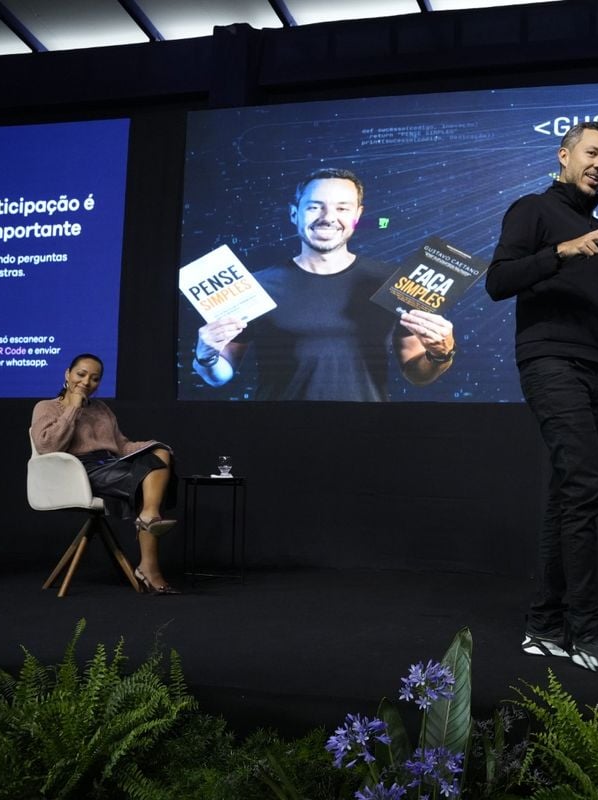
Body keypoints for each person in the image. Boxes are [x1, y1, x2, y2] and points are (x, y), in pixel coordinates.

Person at [485, 121, 598, 676]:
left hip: (592, 364)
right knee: (584, 487)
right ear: (564, 156)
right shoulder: (533, 210)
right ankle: (587, 635)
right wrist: (564, 250)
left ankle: (544, 627)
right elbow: (498, 281)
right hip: (549, 361)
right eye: (591, 153)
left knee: (565, 495)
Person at [192, 167, 456, 401]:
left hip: (368, 431)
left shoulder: (394, 283)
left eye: (342, 208)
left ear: (358, 215)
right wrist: (206, 356)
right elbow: (220, 375)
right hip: (276, 431)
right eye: (314, 206)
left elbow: (417, 373)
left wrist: (440, 355)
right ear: (294, 213)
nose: (328, 217)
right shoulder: (255, 286)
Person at [30, 354, 180, 595]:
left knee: (158, 458)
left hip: (111, 465)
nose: (86, 382)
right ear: (67, 374)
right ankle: (149, 561)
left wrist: (154, 446)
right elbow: (47, 446)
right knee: (149, 481)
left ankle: (148, 521)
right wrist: (73, 408)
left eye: (94, 378)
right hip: (78, 472)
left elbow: (121, 446)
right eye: (81, 374)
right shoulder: (46, 407)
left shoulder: (102, 409)